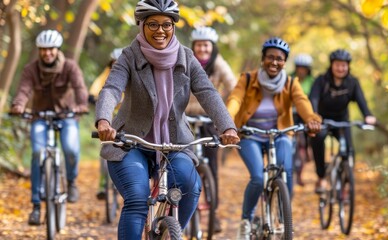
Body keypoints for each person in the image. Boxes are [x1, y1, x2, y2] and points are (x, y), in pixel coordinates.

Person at [94, 1, 240, 239]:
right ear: (141, 25)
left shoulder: (186, 57)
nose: (160, 30)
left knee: (191, 187)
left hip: (175, 142)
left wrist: (227, 126)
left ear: (173, 26)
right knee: (138, 198)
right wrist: (103, 121)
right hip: (130, 142)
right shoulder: (129, 56)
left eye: (166, 24)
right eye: (153, 24)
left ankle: (171, 234)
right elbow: (111, 89)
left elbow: (208, 92)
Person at [226, 37, 322, 239]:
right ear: (263, 59)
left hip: (280, 134)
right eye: (270, 57)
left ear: (284, 62)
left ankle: (282, 217)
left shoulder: (290, 82)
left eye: (279, 58)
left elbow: (302, 101)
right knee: (258, 178)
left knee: (286, 171)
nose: (274, 62)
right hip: (250, 135)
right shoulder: (248, 79)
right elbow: (235, 98)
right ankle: (246, 221)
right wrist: (227, 122)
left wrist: (312, 118)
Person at [10, 29, 89, 225]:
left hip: (66, 115)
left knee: (70, 149)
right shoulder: (31, 70)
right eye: (43, 50)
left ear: (57, 49)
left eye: (51, 49)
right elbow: (24, 90)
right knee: (37, 153)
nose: (47, 53)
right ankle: (36, 206)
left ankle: (71, 182)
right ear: (39, 51)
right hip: (40, 116)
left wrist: (81, 105)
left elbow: (80, 88)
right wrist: (18, 105)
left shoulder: (70, 67)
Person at [185, 26, 237, 233]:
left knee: (212, 165)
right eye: (199, 45)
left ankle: (213, 215)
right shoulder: (186, 60)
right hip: (184, 116)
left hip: (208, 117)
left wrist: (225, 110)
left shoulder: (218, 63)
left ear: (212, 47)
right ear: (194, 46)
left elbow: (233, 86)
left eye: (206, 45)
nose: (203, 49)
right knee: (181, 160)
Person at [309, 49, 376, 194]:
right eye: (337, 65)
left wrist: (368, 115)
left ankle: (345, 186)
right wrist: (314, 118)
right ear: (332, 65)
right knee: (318, 138)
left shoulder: (352, 82)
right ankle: (321, 176)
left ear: (348, 66)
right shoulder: (321, 80)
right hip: (323, 119)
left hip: (342, 120)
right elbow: (313, 99)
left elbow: (361, 101)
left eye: (344, 65)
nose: (341, 68)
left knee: (349, 152)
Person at [88, 48, 123, 200]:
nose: (116, 66)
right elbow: (96, 88)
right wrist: (93, 97)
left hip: (125, 117)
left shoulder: (132, 73)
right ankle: (103, 184)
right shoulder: (106, 74)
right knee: (105, 151)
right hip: (109, 117)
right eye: (114, 63)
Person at [291, 53, 314, 186]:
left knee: (304, 143)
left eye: (304, 68)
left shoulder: (312, 81)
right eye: (299, 67)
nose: (301, 70)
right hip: (291, 114)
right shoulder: (290, 78)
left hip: (304, 116)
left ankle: (300, 174)